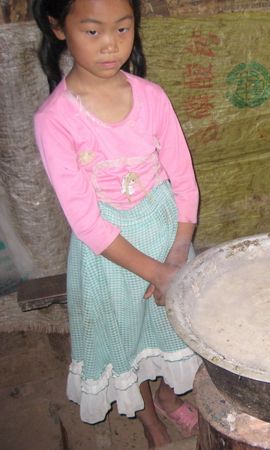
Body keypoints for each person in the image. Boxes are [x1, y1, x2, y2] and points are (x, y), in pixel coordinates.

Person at [31, 0, 201, 446]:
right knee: (126, 338)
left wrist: (176, 255)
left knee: (174, 327)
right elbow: (86, 221)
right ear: (58, 27)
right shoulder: (55, 120)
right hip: (110, 257)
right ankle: (148, 418)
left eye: (122, 29)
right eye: (93, 32)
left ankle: (168, 396)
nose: (110, 44)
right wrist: (155, 272)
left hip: (166, 237)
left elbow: (184, 181)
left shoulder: (152, 98)